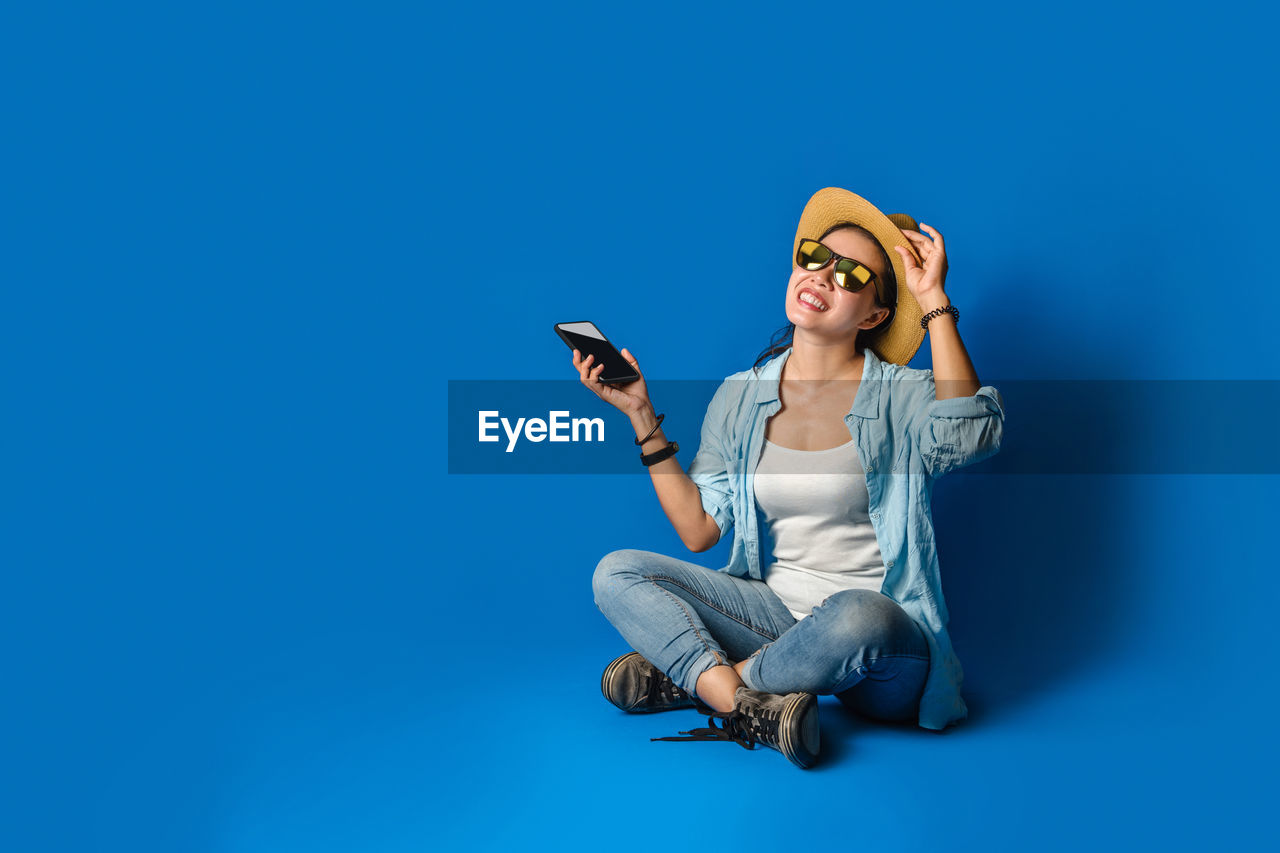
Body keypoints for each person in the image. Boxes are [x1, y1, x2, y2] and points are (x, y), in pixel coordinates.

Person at [573, 187, 1005, 769]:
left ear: (875, 315)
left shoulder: (902, 395)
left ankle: (699, 683)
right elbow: (700, 531)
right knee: (616, 571)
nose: (824, 276)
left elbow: (968, 435)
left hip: (879, 648)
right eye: (814, 257)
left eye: (852, 276)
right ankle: (746, 703)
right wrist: (642, 417)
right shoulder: (740, 395)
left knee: (858, 613)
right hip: (774, 621)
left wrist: (933, 302)